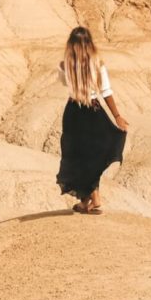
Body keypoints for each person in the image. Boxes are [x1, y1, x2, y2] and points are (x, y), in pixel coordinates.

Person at [56, 26, 129, 214]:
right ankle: (91, 199)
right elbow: (106, 92)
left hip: (73, 112)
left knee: (77, 157)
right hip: (93, 111)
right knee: (93, 156)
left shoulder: (64, 65)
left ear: (71, 45)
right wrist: (117, 117)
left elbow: (65, 83)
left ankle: (89, 200)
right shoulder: (98, 64)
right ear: (90, 44)